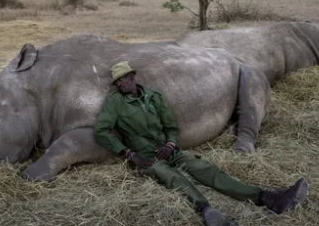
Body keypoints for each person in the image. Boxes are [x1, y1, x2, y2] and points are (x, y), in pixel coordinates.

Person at [94, 61, 308, 226]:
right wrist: (130, 154)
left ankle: (267, 198)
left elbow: (171, 127)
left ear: (132, 76)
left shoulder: (154, 97)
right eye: (117, 82)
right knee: (171, 177)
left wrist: (171, 144)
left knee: (204, 168)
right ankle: (206, 211)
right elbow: (101, 131)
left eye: (123, 78)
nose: (120, 84)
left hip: (168, 150)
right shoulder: (115, 103)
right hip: (146, 157)